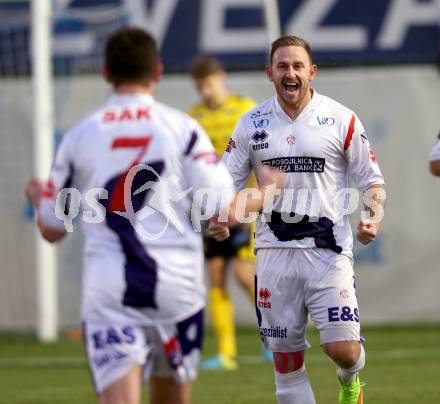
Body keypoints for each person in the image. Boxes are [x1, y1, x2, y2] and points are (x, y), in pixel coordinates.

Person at [25, 28, 280, 404]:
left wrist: (37, 196)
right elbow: (223, 211)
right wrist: (267, 193)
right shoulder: (183, 129)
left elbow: (51, 229)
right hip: (175, 289)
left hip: (111, 292)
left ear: (107, 72)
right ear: (157, 72)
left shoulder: (81, 134)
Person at [210, 36, 386, 404]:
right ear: (270, 72)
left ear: (312, 72)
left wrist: (374, 216)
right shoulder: (251, 124)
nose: (290, 73)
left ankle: (350, 379)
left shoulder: (341, 118)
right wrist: (220, 216)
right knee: (287, 364)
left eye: (297, 66)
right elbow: (223, 185)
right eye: (283, 66)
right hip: (273, 254)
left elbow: (371, 179)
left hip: (328, 251)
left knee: (344, 350)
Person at [188, 56, 271, 370]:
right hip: (211, 208)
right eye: (200, 87)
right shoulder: (193, 118)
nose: (206, 92)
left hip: (243, 206)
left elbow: (259, 156)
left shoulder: (244, 109)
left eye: (209, 84)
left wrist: (249, 202)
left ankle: (275, 335)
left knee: (242, 272)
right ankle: (226, 353)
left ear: (221, 77)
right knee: (217, 276)